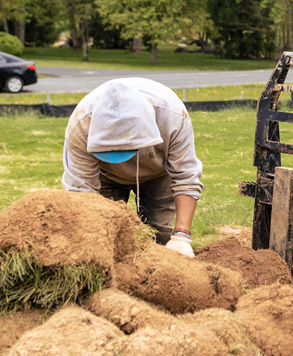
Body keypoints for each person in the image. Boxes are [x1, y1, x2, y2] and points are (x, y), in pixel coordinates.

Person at [62, 77, 203, 258]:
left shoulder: (172, 116)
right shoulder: (81, 124)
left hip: (158, 174)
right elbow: (80, 190)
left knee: (159, 234)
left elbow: (186, 178)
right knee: (105, 237)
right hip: (104, 175)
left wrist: (182, 236)